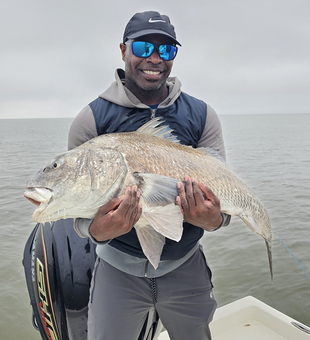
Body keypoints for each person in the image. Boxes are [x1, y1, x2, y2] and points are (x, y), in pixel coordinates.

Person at [68, 10, 230, 340]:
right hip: (117, 269)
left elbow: (222, 205)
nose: (155, 59)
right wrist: (101, 229)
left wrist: (213, 220)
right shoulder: (90, 120)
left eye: (167, 50)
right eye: (143, 47)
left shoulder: (202, 116)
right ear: (123, 49)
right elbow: (79, 215)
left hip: (185, 263)